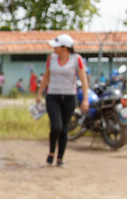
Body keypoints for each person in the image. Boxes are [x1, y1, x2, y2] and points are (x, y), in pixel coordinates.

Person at [35, 34, 90, 167]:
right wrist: (39, 94)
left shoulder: (76, 59)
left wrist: (85, 99)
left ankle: (60, 158)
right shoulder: (51, 59)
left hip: (69, 97)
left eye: (57, 46)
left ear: (65, 48)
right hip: (53, 96)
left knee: (64, 129)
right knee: (56, 126)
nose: (54, 48)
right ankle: (52, 152)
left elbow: (83, 80)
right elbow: (46, 77)